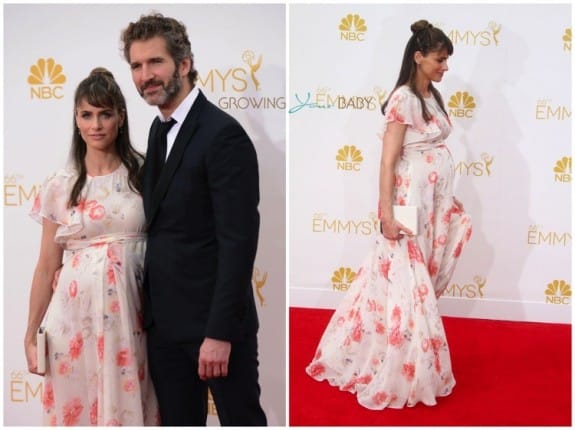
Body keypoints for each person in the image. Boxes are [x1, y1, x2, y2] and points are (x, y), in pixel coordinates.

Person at [306, 20, 473, 410]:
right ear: (419, 57)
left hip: (431, 203)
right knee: (406, 282)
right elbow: (388, 160)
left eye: (447, 60)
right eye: (440, 59)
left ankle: (396, 353)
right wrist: (386, 214)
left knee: (413, 281)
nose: (445, 67)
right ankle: (403, 367)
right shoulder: (403, 99)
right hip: (408, 203)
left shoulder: (431, 96)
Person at [120, 13, 267, 426]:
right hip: (165, 327)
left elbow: (238, 242)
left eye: (155, 62)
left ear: (183, 64)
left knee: (241, 419)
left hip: (215, 327)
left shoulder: (223, 135)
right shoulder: (156, 129)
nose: (145, 75)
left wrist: (218, 333)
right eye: (136, 65)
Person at [23, 68, 159, 425]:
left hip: (137, 318)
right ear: (76, 119)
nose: (96, 124)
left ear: (121, 117)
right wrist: (31, 333)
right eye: (87, 114)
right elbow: (46, 265)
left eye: (105, 113)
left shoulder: (146, 173)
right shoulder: (61, 184)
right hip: (72, 323)